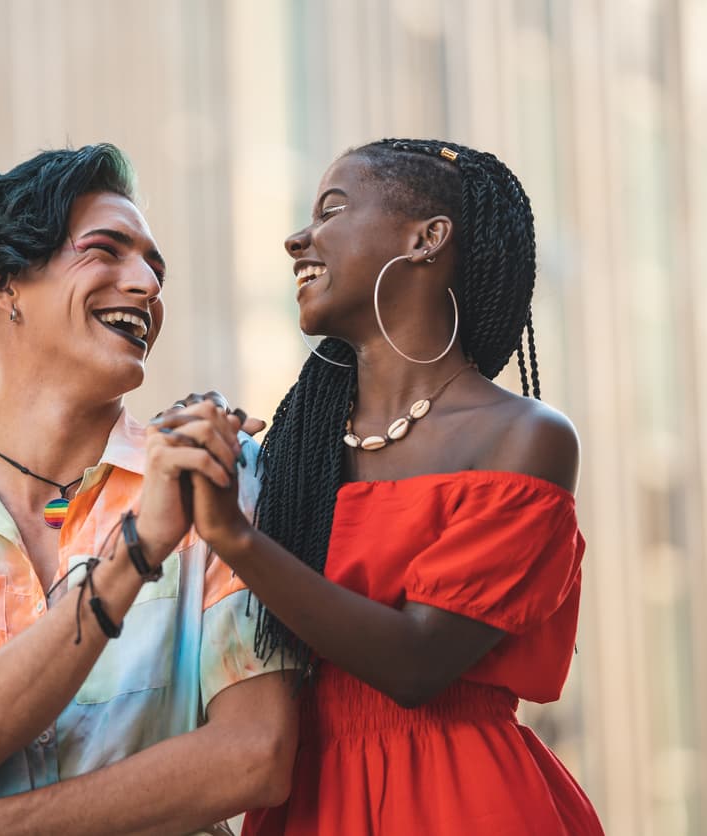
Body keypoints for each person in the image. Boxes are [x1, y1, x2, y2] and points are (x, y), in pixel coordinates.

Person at [0, 143, 297, 835]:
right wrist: (135, 555)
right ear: (3, 281)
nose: (146, 284)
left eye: (155, 266)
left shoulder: (220, 477)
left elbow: (257, 756)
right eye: (106, 251)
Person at [151, 138, 604, 834]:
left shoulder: (524, 437)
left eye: (331, 210)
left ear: (426, 239)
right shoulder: (293, 454)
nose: (296, 238)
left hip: (461, 801)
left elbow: (416, 664)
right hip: (306, 798)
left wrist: (235, 539)